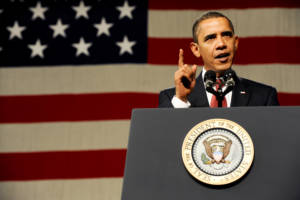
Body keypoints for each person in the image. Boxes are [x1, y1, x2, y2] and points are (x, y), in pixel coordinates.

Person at [158, 12, 279, 108]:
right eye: (211, 38)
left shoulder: (264, 96)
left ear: (235, 43)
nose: (221, 44)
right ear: (196, 49)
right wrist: (182, 100)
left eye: (226, 35)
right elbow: (164, 136)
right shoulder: (171, 98)